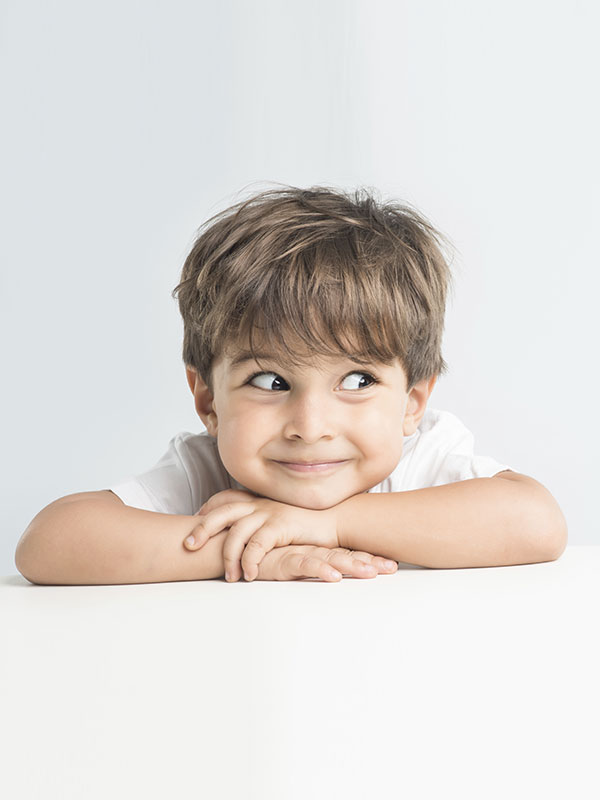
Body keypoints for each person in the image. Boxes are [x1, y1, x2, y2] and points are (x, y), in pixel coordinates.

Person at [15, 184, 568, 586]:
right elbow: (49, 544)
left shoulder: (421, 461)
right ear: (208, 400)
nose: (310, 427)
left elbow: (536, 523)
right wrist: (250, 549)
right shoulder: (210, 473)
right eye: (271, 381)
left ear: (412, 403)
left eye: (357, 380)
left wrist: (324, 525)